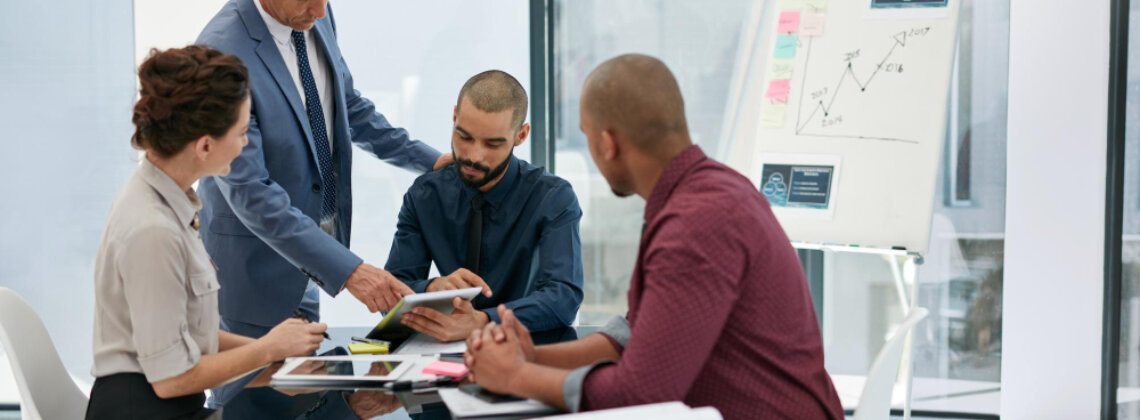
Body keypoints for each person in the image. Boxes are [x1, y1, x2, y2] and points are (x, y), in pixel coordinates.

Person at [464, 54, 844, 420]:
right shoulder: (708, 191)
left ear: (607, 144)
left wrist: (515, 377)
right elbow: (634, 334)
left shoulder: (695, 224)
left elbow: (640, 395)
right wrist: (531, 358)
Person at [87, 46, 327, 420]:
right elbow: (171, 378)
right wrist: (266, 350)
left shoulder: (169, 202)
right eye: (243, 131)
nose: (247, 143)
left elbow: (188, 338)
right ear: (204, 145)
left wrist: (279, 363)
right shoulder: (153, 230)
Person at [194, 0, 452, 340]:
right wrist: (352, 272)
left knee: (303, 386)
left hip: (307, 262)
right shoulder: (221, 51)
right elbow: (251, 194)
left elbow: (345, 106)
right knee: (250, 388)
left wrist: (430, 161)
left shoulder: (312, 13)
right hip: (252, 273)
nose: (319, 12)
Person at [386, 70, 584, 342]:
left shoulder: (553, 197)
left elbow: (564, 298)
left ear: (521, 135)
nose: (473, 156)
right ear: (454, 117)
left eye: (492, 143)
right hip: (437, 360)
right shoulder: (424, 196)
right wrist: (434, 287)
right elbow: (389, 294)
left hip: (528, 355)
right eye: (464, 137)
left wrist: (482, 321)